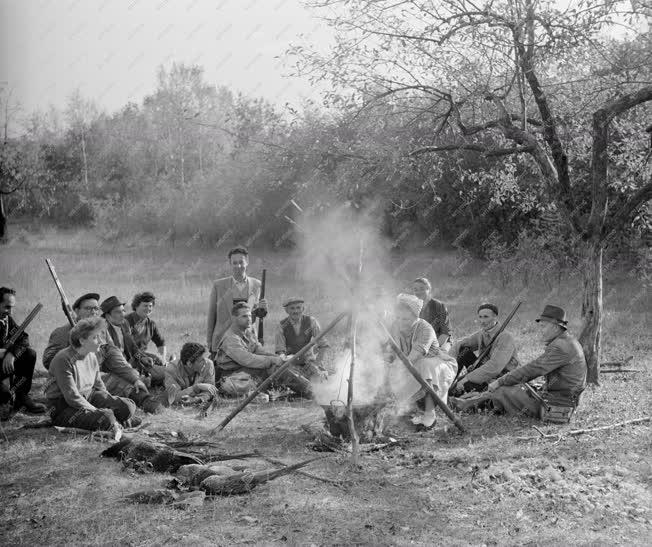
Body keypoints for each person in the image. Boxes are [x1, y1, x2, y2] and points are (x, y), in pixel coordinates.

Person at [450, 305, 587, 422]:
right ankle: (469, 401)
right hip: (558, 397)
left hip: (557, 403)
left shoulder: (560, 346)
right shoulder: (566, 341)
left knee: (502, 391)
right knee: (509, 390)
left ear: (556, 327)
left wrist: (500, 381)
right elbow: (464, 344)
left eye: (544, 326)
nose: (541, 330)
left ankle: (460, 405)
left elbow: (533, 369)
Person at [43, 292, 159, 413]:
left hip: (97, 378)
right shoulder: (62, 332)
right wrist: (74, 349)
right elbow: (48, 361)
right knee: (117, 382)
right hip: (72, 384)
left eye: (96, 308)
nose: (93, 312)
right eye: (88, 308)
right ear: (76, 311)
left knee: (128, 379)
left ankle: (146, 402)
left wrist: (135, 379)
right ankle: (141, 404)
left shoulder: (102, 331)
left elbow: (114, 357)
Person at [45, 317, 137, 433]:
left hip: (89, 396)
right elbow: (72, 397)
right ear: (82, 341)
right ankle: (116, 422)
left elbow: (99, 385)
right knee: (106, 419)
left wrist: (110, 402)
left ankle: (116, 422)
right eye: (95, 337)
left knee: (128, 406)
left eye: (100, 336)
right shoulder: (63, 359)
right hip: (64, 407)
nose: (100, 341)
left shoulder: (91, 354)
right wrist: (98, 412)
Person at [385, 294, 458, 430]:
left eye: (406, 319)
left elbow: (414, 356)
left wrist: (397, 366)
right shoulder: (396, 326)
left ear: (416, 317)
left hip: (436, 364)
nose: (401, 322)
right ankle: (405, 410)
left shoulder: (425, 328)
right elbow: (392, 349)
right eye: (399, 318)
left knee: (425, 366)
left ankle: (430, 414)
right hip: (411, 364)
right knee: (388, 369)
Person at [215, 302, 312, 398]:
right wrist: (273, 360)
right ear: (234, 318)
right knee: (274, 368)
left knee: (282, 365)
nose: (249, 319)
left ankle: (309, 387)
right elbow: (248, 360)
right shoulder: (231, 338)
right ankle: (311, 391)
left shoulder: (247, 332)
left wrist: (280, 358)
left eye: (249, 316)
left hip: (247, 371)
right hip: (233, 375)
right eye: (244, 316)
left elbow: (259, 350)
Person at [100, 296, 164, 413]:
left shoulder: (124, 324)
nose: (123, 314)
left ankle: (149, 380)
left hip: (132, 365)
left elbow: (133, 349)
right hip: (115, 371)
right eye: (118, 312)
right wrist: (132, 373)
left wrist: (143, 358)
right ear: (108, 316)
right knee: (133, 384)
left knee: (163, 372)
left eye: (123, 310)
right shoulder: (102, 331)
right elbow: (110, 361)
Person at [206, 246, 268, 358]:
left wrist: (263, 309)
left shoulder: (257, 284)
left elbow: (256, 314)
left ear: (247, 262)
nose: (238, 266)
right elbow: (211, 315)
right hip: (223, 341)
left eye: (241, 262)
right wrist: (210, 341)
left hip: (248, 340)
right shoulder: (218, 286)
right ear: (230, 264)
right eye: (234, 263)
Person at [449, 303, 519, 395]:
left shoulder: (505, 337)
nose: (482, 321)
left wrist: (466, 379)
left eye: (486, 317)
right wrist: (448, 361)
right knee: (463, 350)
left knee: (460, 389)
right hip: (482, 370)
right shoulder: (482, 333)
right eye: (480, 317)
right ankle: (448, 380)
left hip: (499, 378)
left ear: (495, 317)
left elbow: (495, 367)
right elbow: (461, 344)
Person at [0, 287, 46, 420]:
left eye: (12, 308)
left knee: (29, 354)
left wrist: (12, 354)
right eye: (7, 307)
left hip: (3, 365)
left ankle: (21, 396)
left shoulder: (7, 319)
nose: (10, 312)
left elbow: (23, 338)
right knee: (4, 395)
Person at [275, 297, 328, 382]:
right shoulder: (281, 326)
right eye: (292, 308)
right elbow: (280, 351)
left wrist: (316, 364)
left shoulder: (311, 321)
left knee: (320, 380)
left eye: (298, 307)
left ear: (303, 309)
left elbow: (323, 345)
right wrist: (285, 360)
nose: (295, 311)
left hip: (309, 362)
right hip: (291, 364)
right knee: (296, 383)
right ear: (286, 311)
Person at [124, 291, 168, 384]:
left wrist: (163, 359)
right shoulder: (126, 321)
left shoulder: (151, 324)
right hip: (128, 357)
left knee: (159, 361)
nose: (148, 308)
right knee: (166, 373)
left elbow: (161, 343)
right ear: (136, 306)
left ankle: (153, 375)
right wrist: (141, 358)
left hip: (143, 356)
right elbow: (128, 346)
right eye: (145, 305)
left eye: (150, 306)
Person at [411, 278, 453, 352]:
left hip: (441, 342)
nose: (418, 292)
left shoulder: (439, 306)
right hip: (422, 345)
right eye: (415, 289)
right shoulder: (412, 308)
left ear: (429, 289)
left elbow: (445, 333)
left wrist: (433, 349)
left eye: (422, 288)